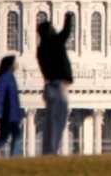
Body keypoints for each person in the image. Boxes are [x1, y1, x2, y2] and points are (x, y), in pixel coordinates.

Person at [36, 13, 74, 155]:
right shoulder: (55, 43)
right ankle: (52, 150)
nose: (54, 30)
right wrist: (68, 18)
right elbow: (66, 33)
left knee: (51, 121)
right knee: (59, 120)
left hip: (49, 86)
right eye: (52, 28)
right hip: (58, 86)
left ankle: (48, 150)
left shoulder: (41, 49)